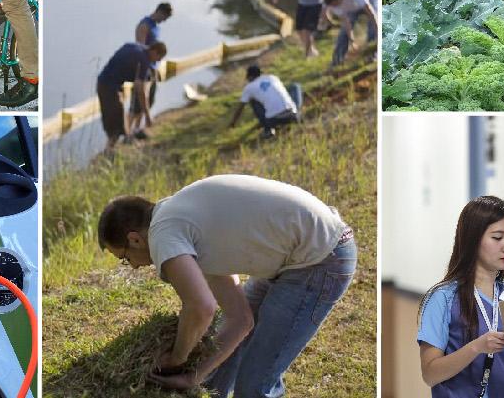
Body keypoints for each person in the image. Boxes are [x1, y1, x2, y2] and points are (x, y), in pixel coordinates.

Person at [96, 175, 355, 396]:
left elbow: (200, 307)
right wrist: (193, 377)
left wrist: (177, 358)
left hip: (320, 258)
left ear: (135, 239)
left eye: (124, 257)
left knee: (254, 386)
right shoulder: (184, 220)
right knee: (215, 374)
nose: (132, 266)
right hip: (298, 255)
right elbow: (240, 320)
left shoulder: (163, 233)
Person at [417, 196, 504, 398]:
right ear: (473, 240)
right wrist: (476, 347)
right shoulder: (442, 298)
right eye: (497, 237)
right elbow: (430, 374)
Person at [96, 41, 167, 148]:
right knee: (115, 123)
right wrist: (147, 116)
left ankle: (124, 140)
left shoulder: (133, 46)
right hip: (109, 87)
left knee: (120, 116)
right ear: (154, 52)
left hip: (105, 83)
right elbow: (140, 89)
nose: (156, 61)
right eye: (158, 58)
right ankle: (109, 151)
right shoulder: (144, 61)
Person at [228, 65, 300, 138]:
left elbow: (240, 108)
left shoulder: (249, 88)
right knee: (294, 86)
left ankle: (268, 129)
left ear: (250, 77)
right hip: (293, 115)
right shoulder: (272, 77)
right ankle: (296, 110)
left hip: (274, 120)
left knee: (253, 101)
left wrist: (233, 123)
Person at [131, 2, 173, 124]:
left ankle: (138, 129)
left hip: (152, 69)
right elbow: (141, 48)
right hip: (144, 68)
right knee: (138, 103)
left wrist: (155, 69)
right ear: (159, 11)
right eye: (165, 17)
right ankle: (129, 133)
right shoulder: (144, 25)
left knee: (149, 101)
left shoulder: (156, 27)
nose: (164, 20)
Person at [322, 0, 380, 68]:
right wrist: (351, 39)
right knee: (343, 32)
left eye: (335, 4)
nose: (335, 8)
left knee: (372, 26)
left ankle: (371, 55)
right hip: (353, 8)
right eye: (333, 6)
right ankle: (337, 60)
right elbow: (346, 23)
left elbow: (370, 12)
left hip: (370, 0)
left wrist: (377, 28)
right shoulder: (334, 5)